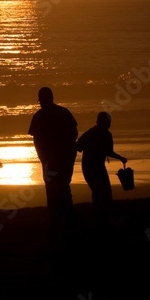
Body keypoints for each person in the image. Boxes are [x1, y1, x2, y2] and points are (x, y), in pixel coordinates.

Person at [28, 87, 78, 228]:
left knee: (54, 189)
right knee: (62, 187)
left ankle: (58, 219)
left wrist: (44, 157)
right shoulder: (63, 113)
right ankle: (66, 218)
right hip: (61, 159)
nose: (41, 103)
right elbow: (74, 133)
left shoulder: (39, 116)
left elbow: (36, 140)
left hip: (54, 159)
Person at [76, 111, 128, 223]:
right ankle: (103, 216)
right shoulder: (106, 135)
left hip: (87, 167)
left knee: (96, 191)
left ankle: (98, 214)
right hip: (97, 167)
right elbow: (109, 151)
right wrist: (121, 158)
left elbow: (78, 147)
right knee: (105, 192)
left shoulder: (88, 133)